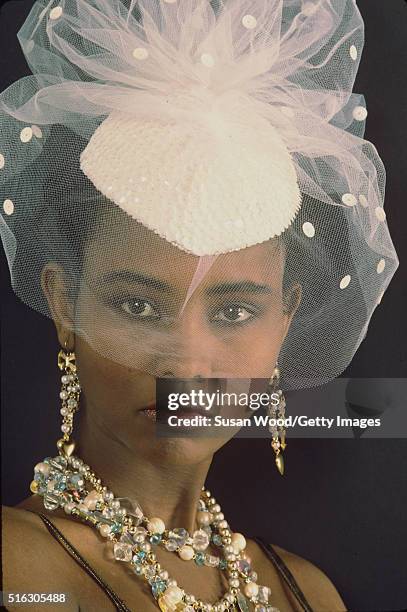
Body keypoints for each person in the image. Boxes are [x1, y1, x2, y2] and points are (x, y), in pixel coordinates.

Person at [1, 1, 398, 611]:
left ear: (285, 321)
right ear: (63, 304)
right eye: (138, 304)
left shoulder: (310, 595)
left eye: (235, 312)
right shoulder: (19, 568)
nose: (186, 360)